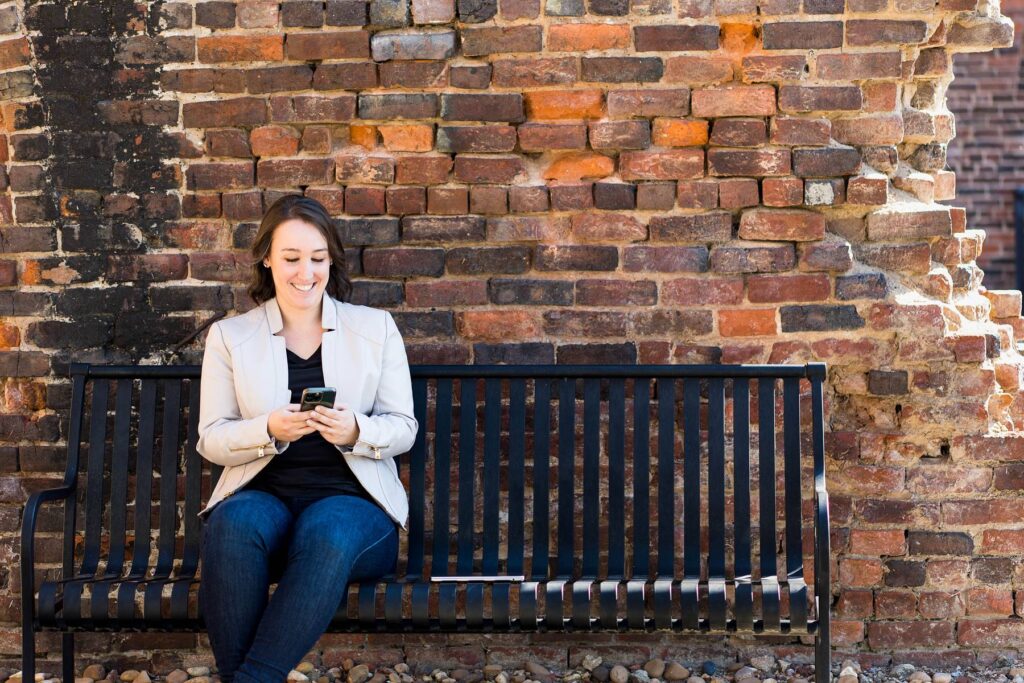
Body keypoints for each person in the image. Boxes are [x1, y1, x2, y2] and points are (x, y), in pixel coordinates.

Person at [195, 194, 417, 683]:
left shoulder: (375, 329)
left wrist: (357, 430)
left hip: (355, 508)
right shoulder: (232, 337)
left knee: (327, 530)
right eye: (291, 258)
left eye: (317, 259)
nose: (305, 273)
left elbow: (403, 426)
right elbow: (211, 438)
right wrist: (268, 430)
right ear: (267, 258)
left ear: (331, 259)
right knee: (230, 525)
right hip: (264, 498)